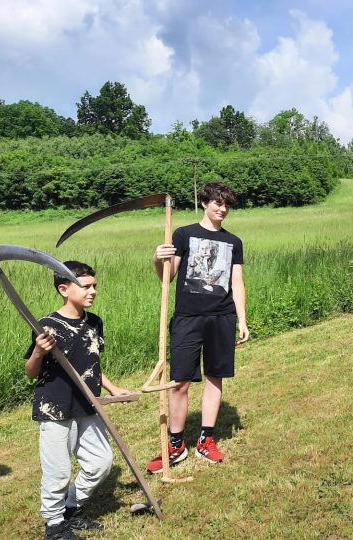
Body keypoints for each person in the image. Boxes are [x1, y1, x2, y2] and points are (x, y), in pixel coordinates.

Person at [24, 260, 130, 540]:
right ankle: (54, 525)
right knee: (58, 471)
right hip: (55, 407)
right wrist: (38, 352)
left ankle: (71, 508)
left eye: (95, 286)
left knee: (101, 462)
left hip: (88, 403)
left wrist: (113, 388)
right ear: (64, 289)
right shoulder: (47, 326)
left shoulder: (94, 322)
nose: (93, 291)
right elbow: (31, 372)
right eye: (85, 287)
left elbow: (91, 365)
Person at [147, 181, 248, 473]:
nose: (223, 209)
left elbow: (236, 282)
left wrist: (242, 319)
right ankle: (175, 445)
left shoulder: (234, 242)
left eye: (227, 205)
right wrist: (157, 259)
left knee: (215, 376)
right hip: (188, 318)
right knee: (180, 381)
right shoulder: (184, 235)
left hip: (222, 317)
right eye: (217, 203)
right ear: (204, 202)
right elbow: (167, 278)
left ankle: (206, 440)